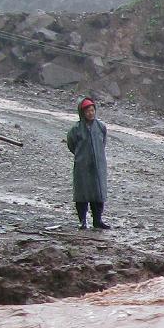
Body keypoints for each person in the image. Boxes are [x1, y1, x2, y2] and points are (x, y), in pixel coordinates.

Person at [65, 97, 110, 229]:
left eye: (92, 110)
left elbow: (103, 143)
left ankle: (97, 220)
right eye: (88, 111)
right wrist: (81, 156)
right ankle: (82, 221)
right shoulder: (76, 129)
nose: (91, 113)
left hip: (98, 166)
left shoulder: (101, 127)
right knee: (82, 195)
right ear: (82, 113)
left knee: (98, 194)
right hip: (82, 166)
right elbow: (71, 144)